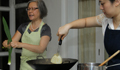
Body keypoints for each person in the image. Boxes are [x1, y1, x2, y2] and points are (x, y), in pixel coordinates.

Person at [57, 0, 120, 70]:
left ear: (117, 2)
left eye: (102, 3)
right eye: (100, 4)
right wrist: (68, 26)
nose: (100, 7)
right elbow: (85, 22)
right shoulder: (105, 19)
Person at [2, 0, 51, 70]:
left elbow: (41, 49)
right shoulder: (23, 27)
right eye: (28, 9)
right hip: (24, 67)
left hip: (39, 67)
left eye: (33, 9)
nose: (30, 11)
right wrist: (7, 44)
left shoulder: (45, 28)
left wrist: (21, 44)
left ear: (41, 10)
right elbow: (12, 43)